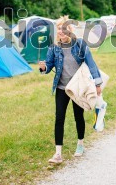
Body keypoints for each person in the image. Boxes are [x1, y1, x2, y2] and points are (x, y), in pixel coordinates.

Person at [39, 16, 103, 164]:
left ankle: (80, 144)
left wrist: (97, 84)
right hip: (62, 88)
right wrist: (44, 68)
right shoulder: (54, 47)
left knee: (78, 116)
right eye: (59, 29)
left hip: (77, 89)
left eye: (64, 29)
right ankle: (58, 154)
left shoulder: (79, 44)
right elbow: (48, 66)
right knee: (59, 118)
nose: (61, 32)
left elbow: (91, 64)